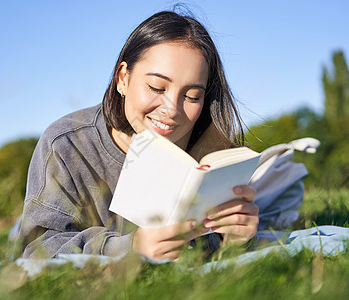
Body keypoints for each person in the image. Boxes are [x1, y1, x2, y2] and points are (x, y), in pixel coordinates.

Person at [18, 11, 259, 261]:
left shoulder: (208, 156)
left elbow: (215, 249)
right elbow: (36, 248)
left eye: (192, 96)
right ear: (123, 78)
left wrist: (236, 237)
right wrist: (129, 246)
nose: (171, 110)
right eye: (156, 87)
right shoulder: (66, 144)